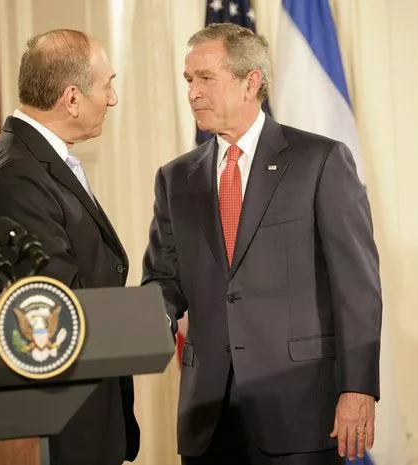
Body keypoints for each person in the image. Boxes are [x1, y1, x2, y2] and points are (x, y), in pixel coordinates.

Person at [142, 23, 381, 465]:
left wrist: (358, 388)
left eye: (206, 78)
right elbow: (162, 277)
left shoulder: (319, 161)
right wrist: (145, 319)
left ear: (251, 81)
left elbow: (358, 287)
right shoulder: (175, 178)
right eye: (189, 80)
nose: (193, 93)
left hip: (299, 410)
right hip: (208, 415)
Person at [0, 29, 139, 465]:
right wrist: (145, 321)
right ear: (71, 98)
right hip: (67, 419)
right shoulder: (19, 173)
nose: (113, 98)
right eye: (108, 84)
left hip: (83, 407)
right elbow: (54, 303)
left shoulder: (34, 158)